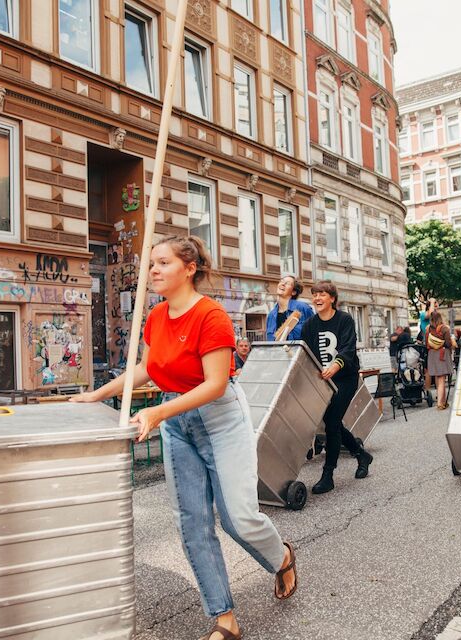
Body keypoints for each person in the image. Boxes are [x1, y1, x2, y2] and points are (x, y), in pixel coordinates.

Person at [70, 236, 297, 640]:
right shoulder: (156, 317)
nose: (153, 270)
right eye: (151, 264)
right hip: (177, 422)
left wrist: (157, 412)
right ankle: (224, 617)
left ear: (189, 268)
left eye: (162, 263)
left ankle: (280, 556)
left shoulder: (211, 316)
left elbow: (213, 385)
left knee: (238, 520)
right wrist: (98, 393)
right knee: (192, 522)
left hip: (219, 416)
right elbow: (146, 369)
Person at [300, 280, 374, 494]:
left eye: (322, 294)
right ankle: (361, 455)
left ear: (332, 298)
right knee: (333, 423)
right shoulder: (309, 326)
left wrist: (335, 366)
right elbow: (306, 356)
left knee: (332, 422)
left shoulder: (345, 320)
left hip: (345, 378)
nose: (317, 298)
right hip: (322, 381)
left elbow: (348, 348)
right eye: (314, 294)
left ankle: (328, 474)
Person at [424, 311, 457, 410]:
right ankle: (439, 403)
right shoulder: (444, 328)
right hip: (442, 355)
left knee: (438, 379)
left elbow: (426, 343)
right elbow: (447, 344)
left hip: (432, 355)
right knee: (442, 379)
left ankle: (443, 401)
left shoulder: (428, 329)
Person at [266, 275, 314, 341]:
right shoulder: (271, 315)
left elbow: (314, 333)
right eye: (282, 281)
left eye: (287, 283)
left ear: (293, 292)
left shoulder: (303, 308)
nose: (283, 284)